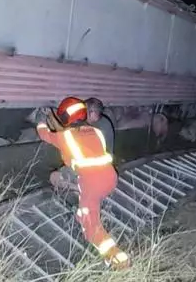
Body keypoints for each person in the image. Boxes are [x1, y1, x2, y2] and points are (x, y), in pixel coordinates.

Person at [36, 97, 130, 269]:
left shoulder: (66, 136)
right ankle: (83, 200)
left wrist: (41, 119)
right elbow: (69, 135)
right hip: (110, 178)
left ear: (65, 118)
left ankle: (117, 259)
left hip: (92, 184)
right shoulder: (96, 132)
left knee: (90, 226)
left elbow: (44, 133)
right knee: (74, 181)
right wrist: (51, 115)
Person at [49, 97, 115, 192]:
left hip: (91, 169)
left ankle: (81, 188)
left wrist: (51, 115)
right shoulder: (104, 122)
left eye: (84, 111)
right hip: (105, 169)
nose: (81, 114)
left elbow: (64, 135)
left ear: (93, 114)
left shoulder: (92, 128)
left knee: (54, 177)